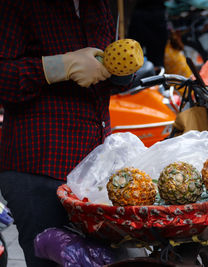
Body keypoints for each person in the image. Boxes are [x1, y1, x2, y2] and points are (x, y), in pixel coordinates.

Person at [0, 1, 132, 266]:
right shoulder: (16, 5)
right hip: (39, 165)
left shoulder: (101, 5)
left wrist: (120, 72)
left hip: (95, 166)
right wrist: (56, 68)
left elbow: (97, 79)